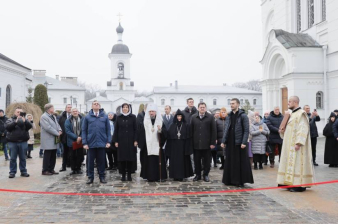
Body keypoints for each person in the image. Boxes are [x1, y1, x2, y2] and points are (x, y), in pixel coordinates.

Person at [277, 96, 314, 192]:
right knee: (289, 163)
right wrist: (282, 130)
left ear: (295, 102)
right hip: (288, 144)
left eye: (290, 101)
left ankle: (299, 185)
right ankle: (289, 183)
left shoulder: (301, 114)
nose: (288, 103)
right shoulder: (291, 114)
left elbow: (303, 129)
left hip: (297, 145)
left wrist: (299, 142)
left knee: (298, 164)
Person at [221, 98, 253, 187]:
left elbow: (246, 130)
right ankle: (229, 180)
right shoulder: (229, 116)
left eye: (233, 103)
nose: (231, 105)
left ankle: (239, 180)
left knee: (239, 162)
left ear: (238, 104)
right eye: (230, 103)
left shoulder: (243, 116)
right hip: (230, 142)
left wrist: (244, 142)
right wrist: (223, 141)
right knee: (230, 161)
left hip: (239, 142)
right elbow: (226, 129)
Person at [82, 100, 111, 184]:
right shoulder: (87, 117)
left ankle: (102, 176)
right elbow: (84, 130)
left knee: (101, 161)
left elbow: (108, 130)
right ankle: (90, 177)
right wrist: (85, 143)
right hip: (91, 143)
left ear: (100, 106)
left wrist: (108, 141)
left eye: (98, 104)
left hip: (102, 143)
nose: (96, 105)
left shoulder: (105, 117)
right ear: (92, 106)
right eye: (94, 104)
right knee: (90, 162)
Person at [137, 103, 167, 182]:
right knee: (148, 161)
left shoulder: (160, 121)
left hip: (157, 145)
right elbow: (141, 132)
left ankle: (158, 176)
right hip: (147, 145)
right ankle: (149, 176)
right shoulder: (145, 122)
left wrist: (160, 130)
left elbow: (165, 133)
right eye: (150, 111)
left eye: (153, 111)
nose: (151, 113)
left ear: (156, 112)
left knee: (157, 161)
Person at [162, 109, 193, 181]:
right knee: (175, 161)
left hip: (183, 146)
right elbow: (169, 137)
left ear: (182, 117)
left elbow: (188, 137)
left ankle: (182, 175)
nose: (179, 118)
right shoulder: (172, 125)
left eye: (180, 116)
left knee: (183, 161)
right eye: (178, 116)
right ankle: (175, 175)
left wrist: (188, 147)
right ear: (176, 117)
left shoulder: (186, 125)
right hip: (174, 147)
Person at [191, 102, 217, 182]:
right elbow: (191, 130)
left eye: (203, 107)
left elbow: (213, 130)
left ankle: (205, 174)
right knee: (196, 161)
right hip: (196, 143)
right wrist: (191, 142)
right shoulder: (193, 117)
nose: (202, 108)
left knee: (207, 161)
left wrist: (213, 143)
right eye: (201, 107)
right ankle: (198, 175)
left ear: (205, 108)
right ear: (198, 108)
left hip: (207, 144)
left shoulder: (210, 117)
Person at [113, 104, 137, 181]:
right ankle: (123, 174)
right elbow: (116, 129)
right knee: (122, 159)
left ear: (129, 108)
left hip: (131, 140)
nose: (125, 109)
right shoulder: (119, 117)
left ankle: (129, 174)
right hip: (121, 140)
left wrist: (135, 140)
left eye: (127, 107)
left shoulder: (133, 117)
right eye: (124, 107)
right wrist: (116, 141)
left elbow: (135, 129)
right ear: (122, 109)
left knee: (130, 158)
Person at [5, 108, 32, 178]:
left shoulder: (24, 120)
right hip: (12, 142)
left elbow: (30, 126)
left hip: (23, 142)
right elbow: (8, 127)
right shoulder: (10, 120)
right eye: (18, 112)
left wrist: (25, 121)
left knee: (23, 158)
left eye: (21, 112)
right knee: (13, 158)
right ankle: (12, 172)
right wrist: (15, 122)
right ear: (15, 112)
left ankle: (23, 171)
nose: (19, 113)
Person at [40, 104, 62, 176]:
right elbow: (48, 127)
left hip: (54, 138)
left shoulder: (53, 116)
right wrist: (57, 133)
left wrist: (59, 130)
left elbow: (57, 124)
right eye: (53, 107)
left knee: (53, 154)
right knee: (48, 154)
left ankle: (51, 169)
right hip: (48, 138)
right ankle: (45, 170)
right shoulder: (44, 117)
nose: (54, 108)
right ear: (49, 109)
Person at [65, 108, 84, 175]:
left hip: (80, 140)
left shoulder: (82, 119)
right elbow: (67, 131)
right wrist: (76, 137)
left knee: (79, 155)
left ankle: (78, 168)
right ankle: (73, 169)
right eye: (73, 111)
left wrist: (80, 137)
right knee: (72, 155)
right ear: (71, 113)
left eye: (76, 111)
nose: (75, 112)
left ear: (78, 112)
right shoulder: (68, 120)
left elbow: (84, 129)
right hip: (72, 140)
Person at [181, 98, 198, 172]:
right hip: (186, 135)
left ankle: (195, 169)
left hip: (195, 135)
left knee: (194, 154)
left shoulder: (197, 112)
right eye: (190, 102)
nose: (191, 103)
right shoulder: (183, 112)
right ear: (187, 103)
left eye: (192, 102)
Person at [59, 104, 72, 172]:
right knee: (65, 153)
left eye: (70, 107)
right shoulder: (62, 117)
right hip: (64, 137)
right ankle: (63, 166)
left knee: (72, 152)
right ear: (65, 108)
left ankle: (73, 166)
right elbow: (59, 126)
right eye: (68, 107)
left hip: (72, 138)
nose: (69, 108)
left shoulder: (74, 116)